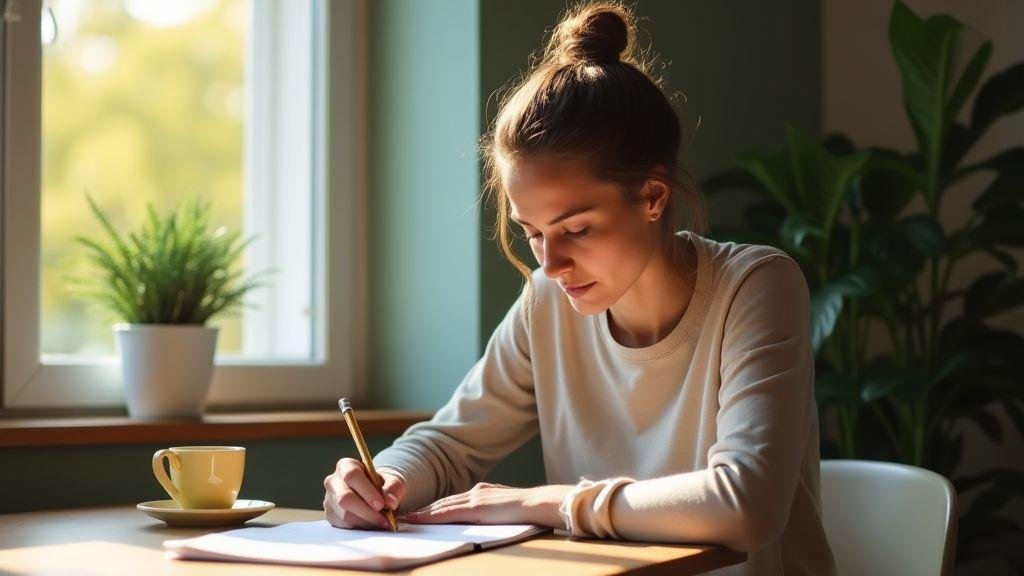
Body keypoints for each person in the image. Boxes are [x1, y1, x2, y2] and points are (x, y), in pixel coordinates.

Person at [323, 2, 836, 574]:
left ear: (652, 197)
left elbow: (746, 505)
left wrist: (546, 503)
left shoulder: (755, 286)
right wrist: (383, 480)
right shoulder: (548, 300)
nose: (554, 262)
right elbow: (447, 445)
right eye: (533, 232)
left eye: (577, 229)